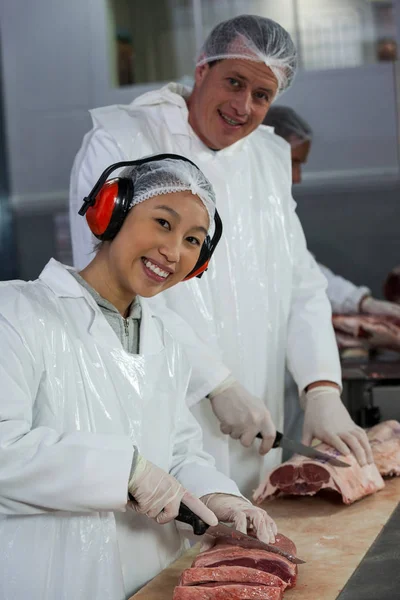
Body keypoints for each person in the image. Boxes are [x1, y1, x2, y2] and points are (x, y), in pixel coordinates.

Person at [69, 14, 372, 496]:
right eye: (234, 81)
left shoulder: (269, 158)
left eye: (261, 95)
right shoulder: (123, 140)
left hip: (257, 413)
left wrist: (321, 388)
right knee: (169, 550)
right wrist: (216, 383)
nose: (242, 106)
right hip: (160, 405)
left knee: (250, 549)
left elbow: (301, 282)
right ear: (202, 68)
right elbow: (116, 285)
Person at [0, 155, 277, 600]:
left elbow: (180, 450)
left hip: (153, 579)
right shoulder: (16, 312)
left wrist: (219, 496)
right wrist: (125, 472)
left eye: (192, 239)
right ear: (110, 213)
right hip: (49, 578)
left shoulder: (165, 340)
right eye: (162, 223)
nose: (174, 251)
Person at [263, 105, 400, 445]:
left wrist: (364, 302)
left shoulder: (275, 213)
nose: (297, 177)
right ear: (263, 148)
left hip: (286, 370)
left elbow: (307, 275)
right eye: (293, 162)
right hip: (252, 374)